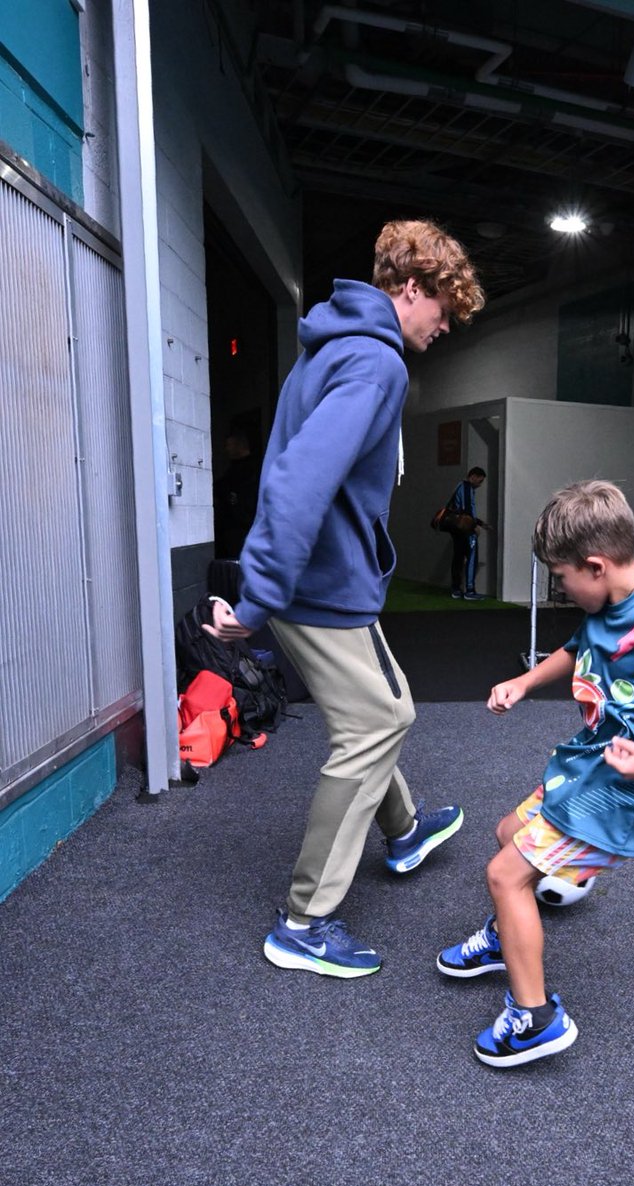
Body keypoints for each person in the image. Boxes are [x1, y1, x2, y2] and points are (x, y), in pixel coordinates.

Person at [203, 218, 485, 978]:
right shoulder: (375, 362)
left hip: (327, 582)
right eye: (444, 310)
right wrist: (257, 598)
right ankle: (304, 919)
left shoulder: (333, 349)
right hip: (313, 587)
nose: (445, 326)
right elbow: (296, 478)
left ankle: (404, 829)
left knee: (379, 709)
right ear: (412, 289)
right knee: (377, 725)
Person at [436, 480, 634, 1066]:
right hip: (587, 767)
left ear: (595, 565)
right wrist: (524, 682)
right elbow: (577, 647)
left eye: (561, 578)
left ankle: (535, 1019)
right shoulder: (610, 603)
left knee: (506, 875)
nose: (559, 588)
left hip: (623, 790)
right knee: (508, 832)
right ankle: (511, 939)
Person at [213, 424, 262, 560]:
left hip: (243, 529)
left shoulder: (251, 470)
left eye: (229, 444)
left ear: (239, 445)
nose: (226, 449)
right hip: (235, 530)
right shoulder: (235, 469)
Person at [446, 466, 488, 599]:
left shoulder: (460, 486)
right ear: (473, 477)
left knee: (458, 557)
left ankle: (456, 589)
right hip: (464, 528)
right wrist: (475, 526)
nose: (480, 485)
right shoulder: (466, 488)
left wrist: (481, 523)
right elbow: (467, 510)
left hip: (456, 528)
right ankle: (469, 590)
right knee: (471, 556)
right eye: (479, 481)